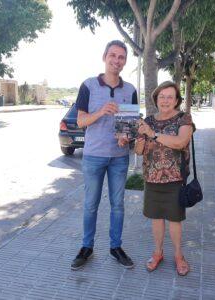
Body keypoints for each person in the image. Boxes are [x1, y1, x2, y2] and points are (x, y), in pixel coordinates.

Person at [71, 40, 138, 271]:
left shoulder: (130, 90)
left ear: (125, 61)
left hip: (119, 157)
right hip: (93, 156)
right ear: (104, 57)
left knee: (118, 205)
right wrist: (100, 111)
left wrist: (126, 138)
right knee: (91, 204)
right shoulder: (88, 85)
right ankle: (86, 247)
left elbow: (130, 127)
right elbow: (80, 121)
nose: (116, 60)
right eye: (113, 55)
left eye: (121, 57)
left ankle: (115, 247)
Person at [134, 81, 194, 276]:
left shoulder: (183, 119)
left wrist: (152, 134)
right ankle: (158, 252)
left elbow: (180, 142)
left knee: (175, 220)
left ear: (177, 100)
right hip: (152, 178)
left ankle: (178, 255)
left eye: (170, 97)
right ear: (156, 99)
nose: (166, 100)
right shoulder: (149, 120)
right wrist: (140, 137)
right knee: (156, 218)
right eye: (162, 96)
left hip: (175, 179)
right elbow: (138, 151)